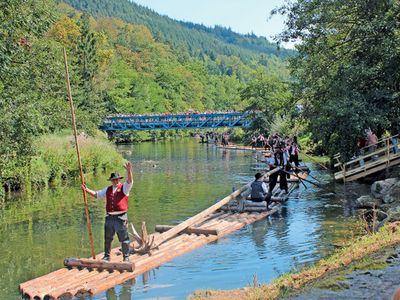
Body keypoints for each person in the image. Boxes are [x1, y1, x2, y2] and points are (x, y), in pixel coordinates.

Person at [82, 161, 133, 262]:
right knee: (108, 238)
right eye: (113, 180)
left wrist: (129, 171)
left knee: (124, 238)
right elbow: (97, 194)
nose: (115, 181)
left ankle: (126, 257)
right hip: (109, 217)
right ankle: (106, 256)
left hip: (120, 217)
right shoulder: (108, 189)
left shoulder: (124, 188)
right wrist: (86, 190)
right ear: (111, 180)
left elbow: (130, 181)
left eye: (116, 179)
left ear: (119, 179)